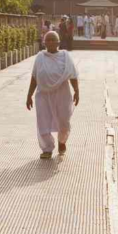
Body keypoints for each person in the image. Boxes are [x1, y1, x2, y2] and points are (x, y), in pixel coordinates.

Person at [27, 31, 81, 159]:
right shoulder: (40, 57)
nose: (50, 42)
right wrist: (29, 95)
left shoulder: (65, 57)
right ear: (44, 43)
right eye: (48, 40)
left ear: (58, 42)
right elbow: (34, 77)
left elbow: (73, 75)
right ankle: (47, 148)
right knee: (43, 122)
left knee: (64, 122)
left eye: (53, 40)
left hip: (62, 95)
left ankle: (62, 141)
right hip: (43, 95)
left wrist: (76, 91)